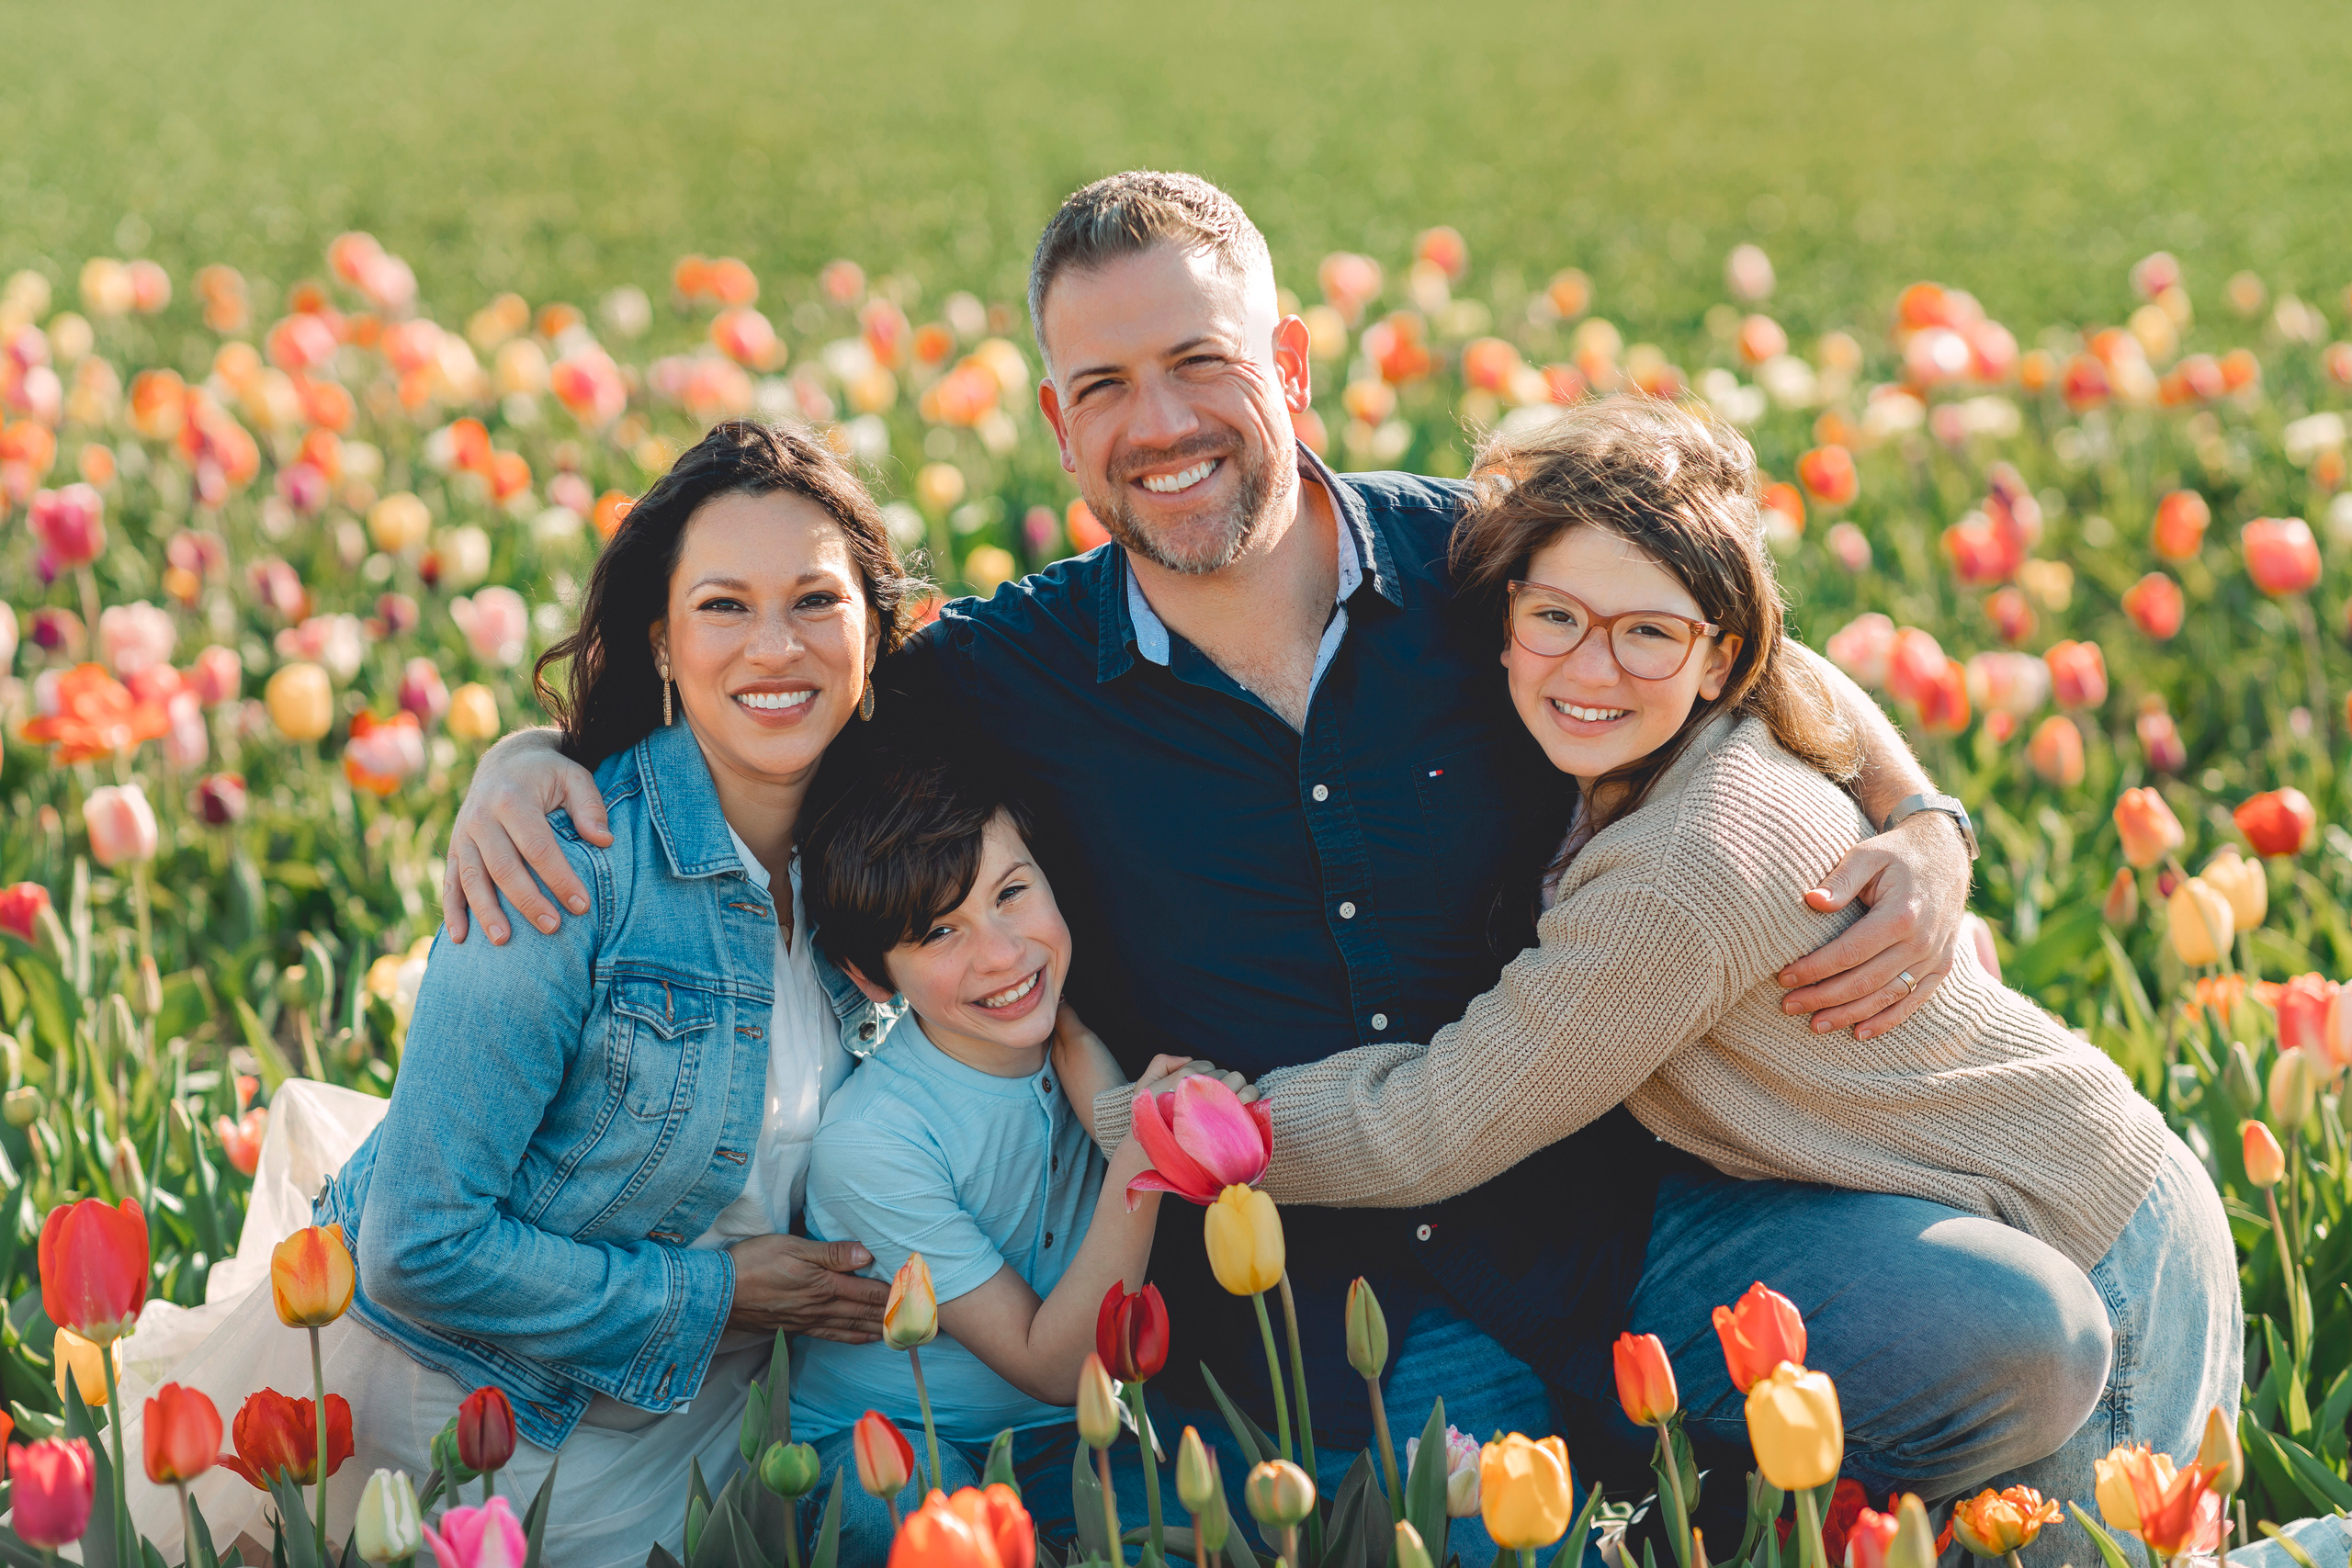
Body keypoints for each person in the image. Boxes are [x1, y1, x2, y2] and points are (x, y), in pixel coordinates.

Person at [439, 171, 1997, 1562]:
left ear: (1293, 367)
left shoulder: (1474, 564)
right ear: (1062, 428)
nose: (1163, 423)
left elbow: (1729, 636)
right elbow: (769, 686)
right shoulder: (1004, 677)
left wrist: (1925, 818)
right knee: (1492, 1518)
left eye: (1202, 362)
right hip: (1312, 1310)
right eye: (1106, 383)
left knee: (2019, 1340)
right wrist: (527, 766)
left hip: (1609, 1212)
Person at [1061, 397, 2241, 1566]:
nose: (1593, 665)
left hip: (2098, 1243)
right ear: (1508, 619)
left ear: (1717, 653)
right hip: (1947, 1198)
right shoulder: (1663, 718)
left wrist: (1155, 1130)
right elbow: (1808, 672)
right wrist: (1921, 811)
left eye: (1645, 635)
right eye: (1558, 616)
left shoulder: (1685, 870)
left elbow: (1429, 1126)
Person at [125, 423, 919, 1566]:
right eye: (723, 606)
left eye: (815, 601)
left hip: (730, 1437)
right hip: (499, 1440)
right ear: (660, 642)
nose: (776, 646)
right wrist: (714, 1297)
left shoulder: (888, 860)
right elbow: (419, 1240)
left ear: (873, 629)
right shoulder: (559, 861)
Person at [787, 760, 1225, 1558]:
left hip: (1076, 1436)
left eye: (1011, 892)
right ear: (869, 976)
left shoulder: (1068, 1031)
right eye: (939, 932)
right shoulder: (875, 1140)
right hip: (896, 1445)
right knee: (914, 1518)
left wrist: (1092, 1061)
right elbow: (1048, 1363)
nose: (1001, 953)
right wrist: (1142, 1159)